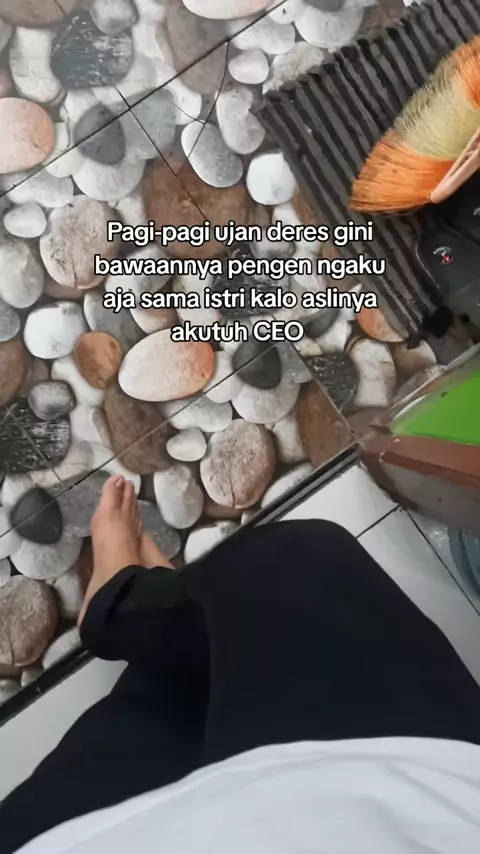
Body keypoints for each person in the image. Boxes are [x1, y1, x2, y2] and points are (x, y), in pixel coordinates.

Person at [2, 474, 480, 854]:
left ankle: (119, 605)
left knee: (291, 563)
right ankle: (143, 613)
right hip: (414, 813)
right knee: (191, 675)